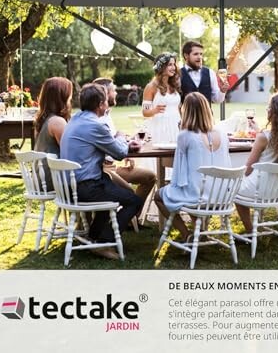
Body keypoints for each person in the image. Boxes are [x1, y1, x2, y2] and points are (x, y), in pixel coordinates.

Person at [60, 83, 143, 260]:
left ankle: (93, 237)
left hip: (68, 186)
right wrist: (121, 137)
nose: (107, 103)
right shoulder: (95, 125)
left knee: (112, 193)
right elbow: (120, 153)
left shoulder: (75, 119)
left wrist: (118, 141)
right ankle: (103, 243)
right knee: (134, 200)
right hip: (86, 186)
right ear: (100, 105)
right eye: (106, 100)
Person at [154, 92, 231, 240]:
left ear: (186, 111)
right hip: (221, 196)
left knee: (162, 195)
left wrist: (175, 188)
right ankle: (200, 232)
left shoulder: (186, 136)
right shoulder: (222, 133)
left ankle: (186, 234)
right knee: (193, 189)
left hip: (199, 197)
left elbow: (178, 172)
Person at [235, 91, 278, 232]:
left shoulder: (263, 137)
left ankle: (250, 230)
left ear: (275, 113)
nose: (267, 110)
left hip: (259, 190)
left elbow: (247, 170)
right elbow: (275, 139)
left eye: (269, 107)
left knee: (233, 189)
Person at [93, 77, 156, 206]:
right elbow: (108, 147)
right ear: (105, 93)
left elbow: (113, 141)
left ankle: (132, 218)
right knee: (131, 193)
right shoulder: (98, 120)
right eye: (113, 90)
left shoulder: (107, 115)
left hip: (112, 165)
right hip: (104, 170)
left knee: (150, 176)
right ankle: (128, 215)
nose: (116, 93)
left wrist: (128, 142)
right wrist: (125, 149)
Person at [34, 77, 73, 187]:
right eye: (69, 95)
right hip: (52, 178)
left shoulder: (45, 119)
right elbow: (70, 152)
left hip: (42, 176)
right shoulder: (57, 122)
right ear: (62, 97)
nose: (70, 99)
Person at [141, 52, 181, 143]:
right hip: (160, 128)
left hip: (176, 126)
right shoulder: (151, 87)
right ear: (161, 67)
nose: (173, 68)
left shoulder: (174, 85)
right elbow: (145, 112)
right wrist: (154, 110)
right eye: (170, 65)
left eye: (174, 64)